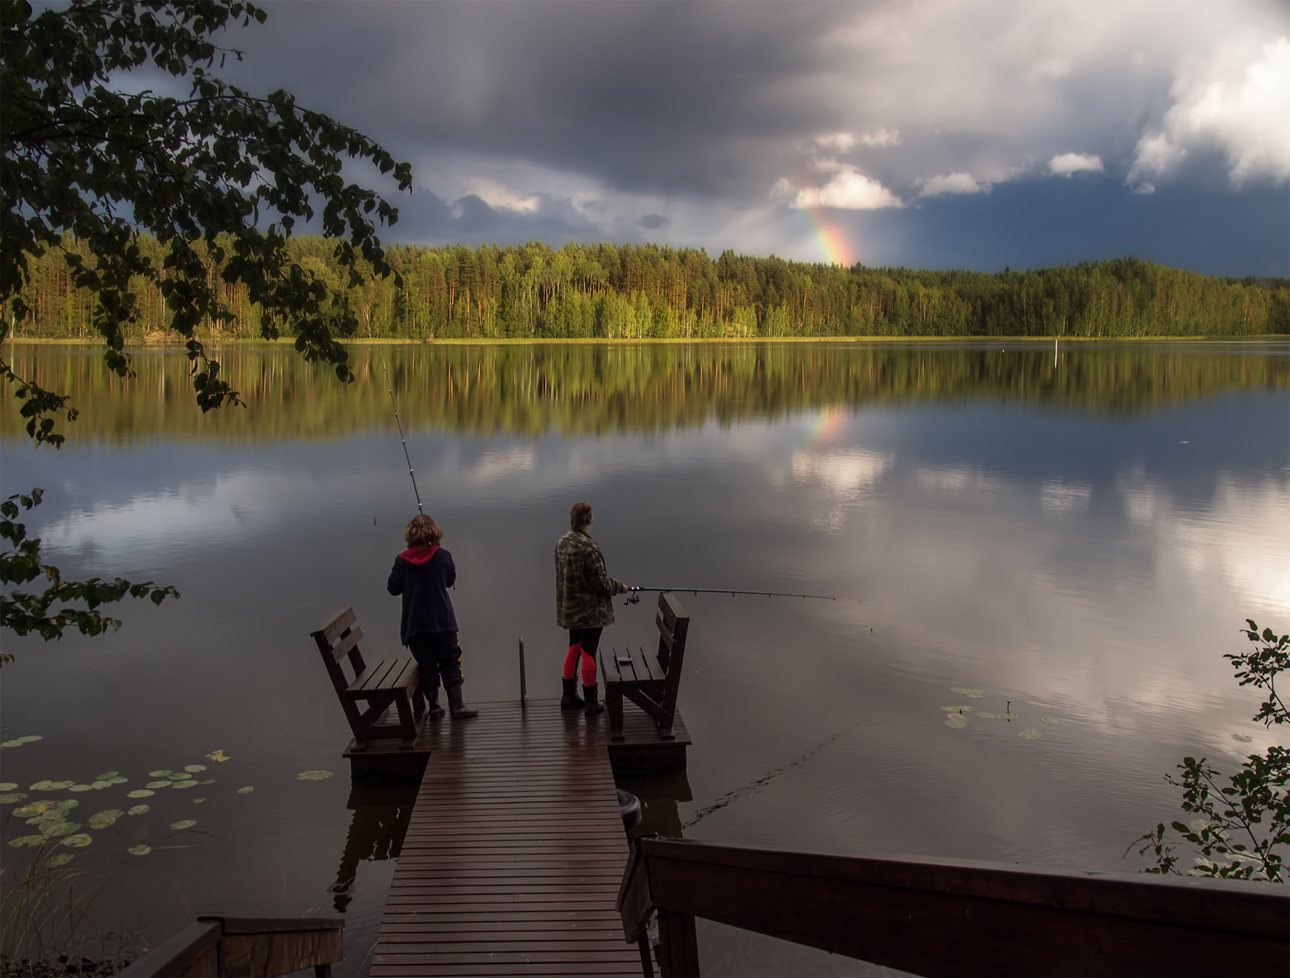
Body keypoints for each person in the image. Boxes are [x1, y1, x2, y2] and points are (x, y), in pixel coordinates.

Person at [387, 514, 477, 721]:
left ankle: (435, 708)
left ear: (410, 535)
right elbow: (449, 580)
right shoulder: (443, 556)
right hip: (443, 622)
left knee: (427, 665)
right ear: (435, 532)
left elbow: (393, 588)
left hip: (415, 625)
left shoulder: (401, 561)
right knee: (450, 661)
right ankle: (457, 707)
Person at [555, 501, 629, 716]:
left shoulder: (562, 542)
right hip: (589, 611)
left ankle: (568, 697)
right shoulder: (588, 547)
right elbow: (601, 583)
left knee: (574, 647)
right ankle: (590, 702)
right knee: (589, 651)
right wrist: (619, 587)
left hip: (570, 608)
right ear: (589, 520)